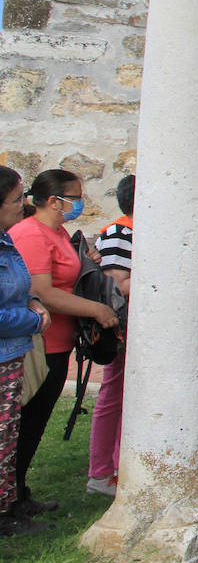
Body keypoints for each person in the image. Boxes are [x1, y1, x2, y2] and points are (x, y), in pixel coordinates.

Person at [11, 169, 118, 518]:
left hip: (59, 343)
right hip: (36, 345)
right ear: (54, 200)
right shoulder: (30, 234)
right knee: (21, 426)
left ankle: (18, 491)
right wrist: (96, 309)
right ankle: (11, 499)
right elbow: (42, 292)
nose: (80, 201)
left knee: (33, 426)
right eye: (75, 195)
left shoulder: (56, 232)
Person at [0, 166, 50, 536]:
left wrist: (32, 301)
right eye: (18, 199)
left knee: (7, 438)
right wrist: (34, 321)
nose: (24, 205)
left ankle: (9, 507)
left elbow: (19, 288)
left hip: (12, 354)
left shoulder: (5, 241)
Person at [88, 174, 136, 497]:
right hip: (123, 323)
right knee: (114, 393)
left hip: (135, 322)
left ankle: (119, 465)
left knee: (129, 395)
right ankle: (103, 470)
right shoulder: (120, 232)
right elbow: (117, 285)